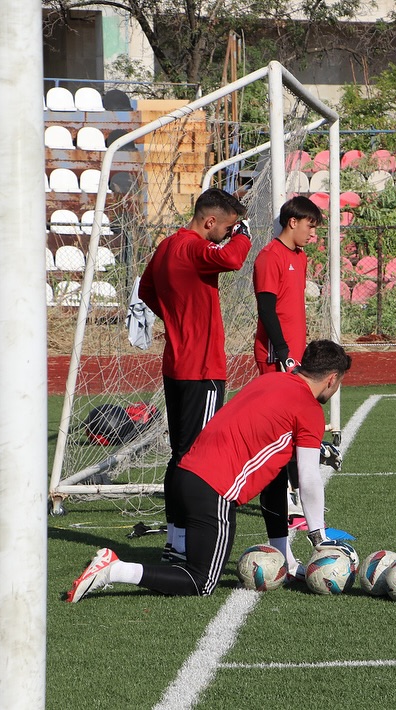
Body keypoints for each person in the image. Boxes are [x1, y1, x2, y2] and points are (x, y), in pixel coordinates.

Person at [64, 340, 352, 601]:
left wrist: (287, 559)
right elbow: (309, 479)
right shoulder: (310, 410)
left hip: (184, 476)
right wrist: (319, 537)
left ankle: (285, 561)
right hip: (214, 490)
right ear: (331, 379)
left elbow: (274, 469)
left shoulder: (271, 380)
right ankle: (113, 570)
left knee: (274, 477)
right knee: (200, 581)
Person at [138, 188, 251, 563]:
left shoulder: (168, 245)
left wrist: (175, 313)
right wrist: (245, 235)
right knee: (194, 458)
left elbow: (145, 289)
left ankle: (175, 539)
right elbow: (233, 260)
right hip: (201, 368)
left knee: (178, 456)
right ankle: (186, 543)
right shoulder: (191, 247)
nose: (229, 234)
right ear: (209, 222)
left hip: (176, 364)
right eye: (228, 227)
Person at [254, 196, 323, 374]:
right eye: (310, 226)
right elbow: (266, 309)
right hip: (276, 355)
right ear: (293, 222)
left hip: (295, 351)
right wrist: (283, 351)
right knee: (275, 402)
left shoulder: (301, 257)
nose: (313, 233)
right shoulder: (270, 256)